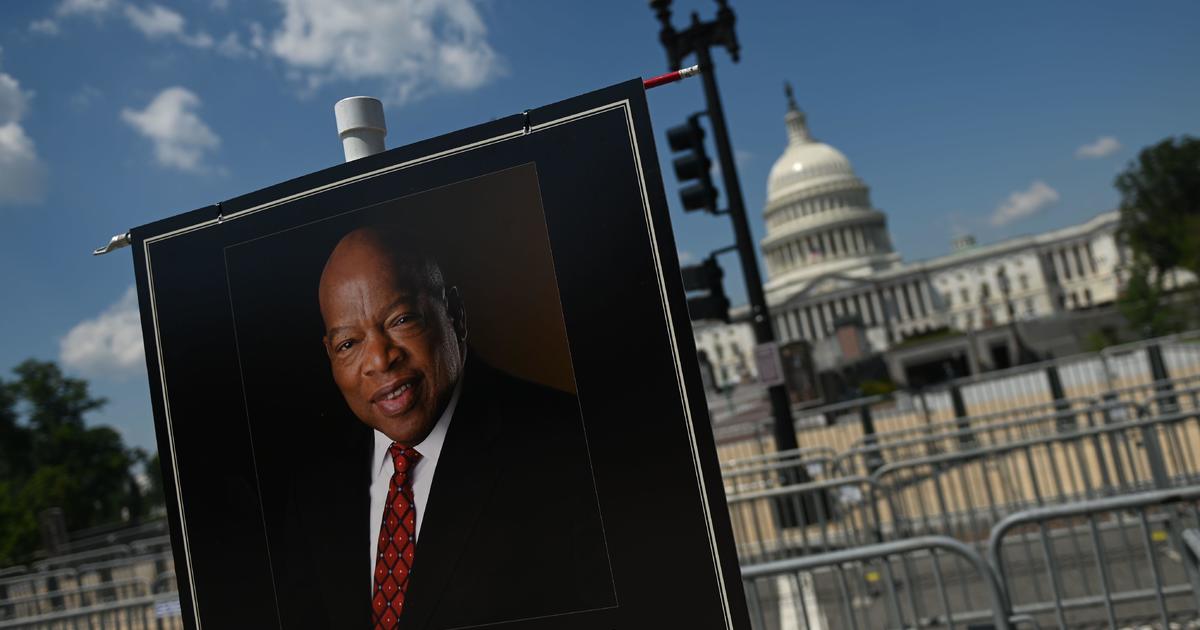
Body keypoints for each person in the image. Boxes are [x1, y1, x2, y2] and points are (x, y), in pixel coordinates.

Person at [275, 225, 614, 629]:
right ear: (330, 355)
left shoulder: (574, 444)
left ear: (455, 313)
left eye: (401, 319)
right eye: (349, 344)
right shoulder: (313, 488)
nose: (380, 360)